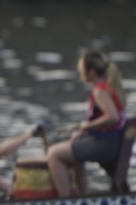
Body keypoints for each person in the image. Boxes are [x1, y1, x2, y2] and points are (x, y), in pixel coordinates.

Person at [44, 51, 127, 197]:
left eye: (83, 70)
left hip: (105, 146)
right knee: (73, 152)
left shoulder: (99, 91)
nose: (81, 74)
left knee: (54, 154)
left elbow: (112, 117)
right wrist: (84, 132)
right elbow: (106, 120)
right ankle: (83, 195)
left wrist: (87, 126)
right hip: (109, 143)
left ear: (92, 72)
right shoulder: (107, 88)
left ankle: (64, 202)